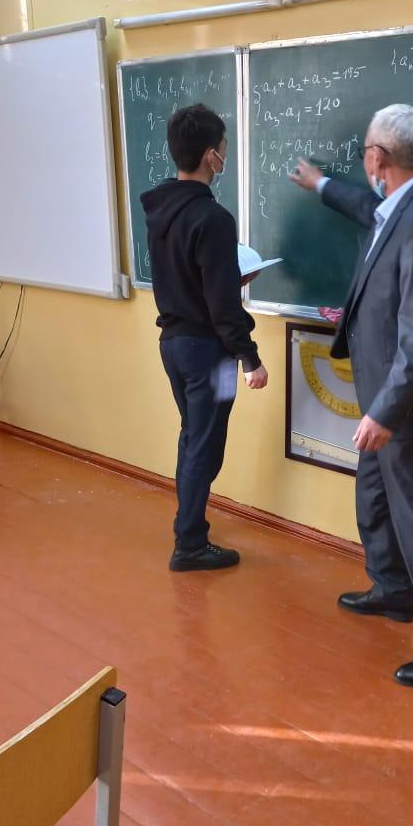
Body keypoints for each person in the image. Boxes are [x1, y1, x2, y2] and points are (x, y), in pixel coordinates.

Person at [289, 104, 413, 688]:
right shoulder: (398, 205)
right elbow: (364, 209)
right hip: (381, 390)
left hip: (402, 403)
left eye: (364, 153)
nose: (363, 163)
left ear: (377, 158)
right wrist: (321, 184)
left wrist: (385, 411)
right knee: (373, 496)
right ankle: (392, 588)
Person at [142, 104, 268, 573]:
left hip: (174, 346)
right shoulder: (212, 218)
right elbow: (221, 304)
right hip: (210, 354)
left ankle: (188, 527)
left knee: (193, 436)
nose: (225, 156)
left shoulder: (160, 208)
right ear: (210, 155)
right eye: (224, 149)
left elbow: (192, 279)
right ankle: (190, 543)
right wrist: (250, 358)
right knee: (205, 443)